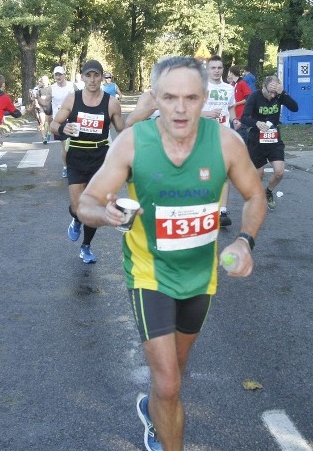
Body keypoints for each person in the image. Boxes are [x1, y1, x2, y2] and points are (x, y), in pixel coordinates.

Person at [76, 56, 267, 451]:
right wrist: (106, 214)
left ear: (205, 98)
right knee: (168, 381)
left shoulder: (225, 142)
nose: (180, 108)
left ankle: (153, 408)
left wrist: (245, 239)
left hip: (201, 277)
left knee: (175, 375)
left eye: (191, 98)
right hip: (151, 273)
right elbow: (87, 202)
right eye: (170, 97)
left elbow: (254, 194)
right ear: (155, 98)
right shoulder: (133, 142)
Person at [51, 59, 125, 263]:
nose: (92, 80)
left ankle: (86, 247)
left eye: (96, 75)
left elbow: (123, 130)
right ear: (82, 77)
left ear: (102, 77)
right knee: (78, 208)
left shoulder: (111, 102)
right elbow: (54, 125)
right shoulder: (72, 99)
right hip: (76, 156)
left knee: (93, 208)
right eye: (88, 75)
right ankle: (75, 219)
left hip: (100, 158)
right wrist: (63, 128)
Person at [240, 75, 299, 210]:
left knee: (279, 172)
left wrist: (283, 93)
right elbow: (244, 118)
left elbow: (295, 108)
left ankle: (268, 192)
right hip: (256, 139)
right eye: (270, 92)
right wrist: (257, 123)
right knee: (258, 174)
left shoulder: (279, 96)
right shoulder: (255, 96)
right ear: (263, 87)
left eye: (274, 92)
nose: (272, 96)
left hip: (274, 138)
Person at [203, 55, 236, 228]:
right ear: (207, 70)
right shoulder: (200, 88)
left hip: (223, 134)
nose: (216, 71)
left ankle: (222, 211)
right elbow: (189, 110)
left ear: (223, 69)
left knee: (224, 172)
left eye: (219, 68)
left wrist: (235, 120)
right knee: (205, 172)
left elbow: (231, 106)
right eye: (213, 68)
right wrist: (206, 114)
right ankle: (204, 207)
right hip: (203, 135)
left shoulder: (229, 88)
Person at [49, 65, 75, 178]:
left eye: (60, 74)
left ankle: (74, 166)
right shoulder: (52, 88)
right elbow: (46, 103)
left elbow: (80, 97)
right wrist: (38, 99)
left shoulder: (71, 85)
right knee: (65, 146)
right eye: (56, 75)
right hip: (59, 120)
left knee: (74, 145)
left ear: (64, 75)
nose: (58, 76)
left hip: (72, 118)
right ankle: (66, 167)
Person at [228, 65, 251, 130]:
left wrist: (236, 104)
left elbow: (248, 98)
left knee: (241, 135)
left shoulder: (242, 83)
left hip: (241, 115)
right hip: (234, 115)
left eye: (229, 73)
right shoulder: (234, 84)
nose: (228, 74)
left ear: (232, 73)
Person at [31, 75, 52, 143]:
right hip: (41, 107)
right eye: (43, 80)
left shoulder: (51, 88)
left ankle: (48, 133)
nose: (44, 81)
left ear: (48, 81)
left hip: (49, 107)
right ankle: (44, 137)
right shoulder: (38, 89)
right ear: (41, 81)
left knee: (48, 122)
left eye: (45, 80)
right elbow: (34, 97)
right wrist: (36, 103)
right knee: (42, 122)